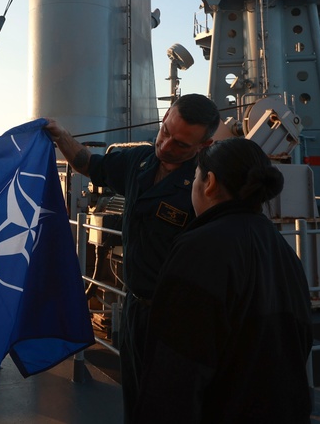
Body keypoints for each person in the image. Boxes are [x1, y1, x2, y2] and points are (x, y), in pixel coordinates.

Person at [45, 93, 220, 422]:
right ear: (165, 116)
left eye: (181, 144)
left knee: (172, 407)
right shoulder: (140, 161)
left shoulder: (206, 185)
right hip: (136, 307)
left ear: (205, 144)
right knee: (136, 397)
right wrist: (60, 135)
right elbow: (88, 163)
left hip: (181, 318)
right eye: (165, 131)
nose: (166, 146)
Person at [135, 138, 313, 423]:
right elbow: (299, 342)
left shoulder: (199, 248)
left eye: (195, 177)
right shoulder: (282, 249)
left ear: (210, 183)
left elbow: (175, 367)